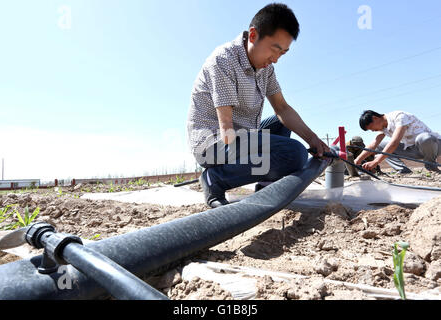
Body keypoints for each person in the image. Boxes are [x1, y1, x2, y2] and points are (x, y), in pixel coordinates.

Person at [187, 3, 329, 208]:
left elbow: (282, 108)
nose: (276, 59)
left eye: (283, 53)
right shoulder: (223, 60)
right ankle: (215, 179)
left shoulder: (266, 69)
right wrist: (261, 153)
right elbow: (227, 130)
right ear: (253, 35)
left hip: (241, 135)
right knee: (295, 155)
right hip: (214, 142)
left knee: (280, 124)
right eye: (275, 49)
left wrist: (313, 138)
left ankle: (266, 182)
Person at [354, 110, 441, 174]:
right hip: (414, 150)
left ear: (375, 118)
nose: (372, 131)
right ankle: (403, 170)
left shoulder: (399, 116)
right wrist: (357, 160)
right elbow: (373, 145)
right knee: (380, 146)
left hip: (433, 146)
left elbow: (394, 142)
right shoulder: (383, 127)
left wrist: (376, 161)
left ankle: (431, 165)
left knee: (424, 138)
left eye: (371, 128)